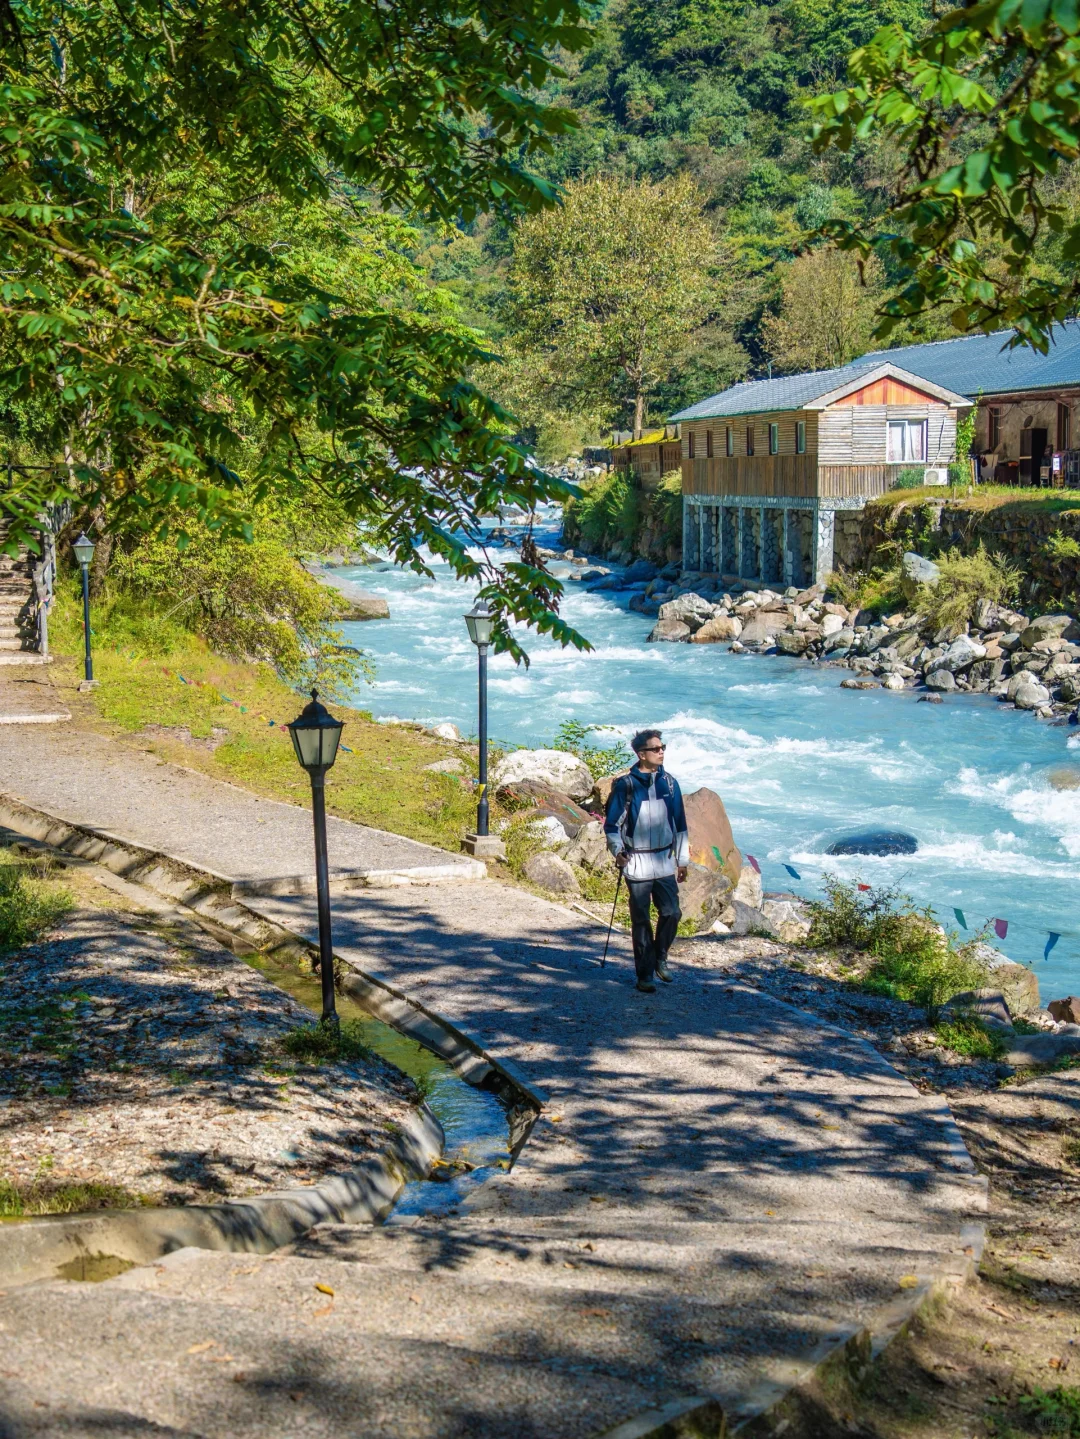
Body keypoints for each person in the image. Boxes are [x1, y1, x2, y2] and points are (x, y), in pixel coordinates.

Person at [603, 729, 689, 993]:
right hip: (637, 864)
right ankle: (645, 975)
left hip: (664, 861)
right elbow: (612, 825)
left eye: (663, 747)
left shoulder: (670, 784)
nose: (661, 751)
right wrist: (617, 851)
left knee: (672, 912)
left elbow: (680, 824)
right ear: (642, 754)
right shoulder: (626, 785)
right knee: (641, 921)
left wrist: (682, 860)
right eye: (656, 748)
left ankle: (660, 955)